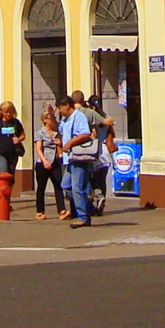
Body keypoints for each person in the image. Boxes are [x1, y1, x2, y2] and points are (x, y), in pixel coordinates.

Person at [58, 94, 95, 228]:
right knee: (66, 186)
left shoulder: (79, 117)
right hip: (70, 159)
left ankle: (83, 217)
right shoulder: (65, 120)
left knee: (77, 188)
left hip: (79, 157)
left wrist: (70, 143)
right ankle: (88, 207)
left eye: (60, 108)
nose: (59, 111)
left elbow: (85, 133)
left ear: (67, 105)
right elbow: (59, 129)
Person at [33, 106, 67, 221]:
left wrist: (60, 143)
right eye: (49, 118)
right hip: (43, 162)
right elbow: (38, 149)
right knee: (41, 187)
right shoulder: (40, 133)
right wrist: (44, 161)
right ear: (44, 120)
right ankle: (40, 211)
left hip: (55, 161)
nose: (51, 119)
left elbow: (60, 148)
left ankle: (61, 210)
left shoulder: (57, 132)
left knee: (58, 185)